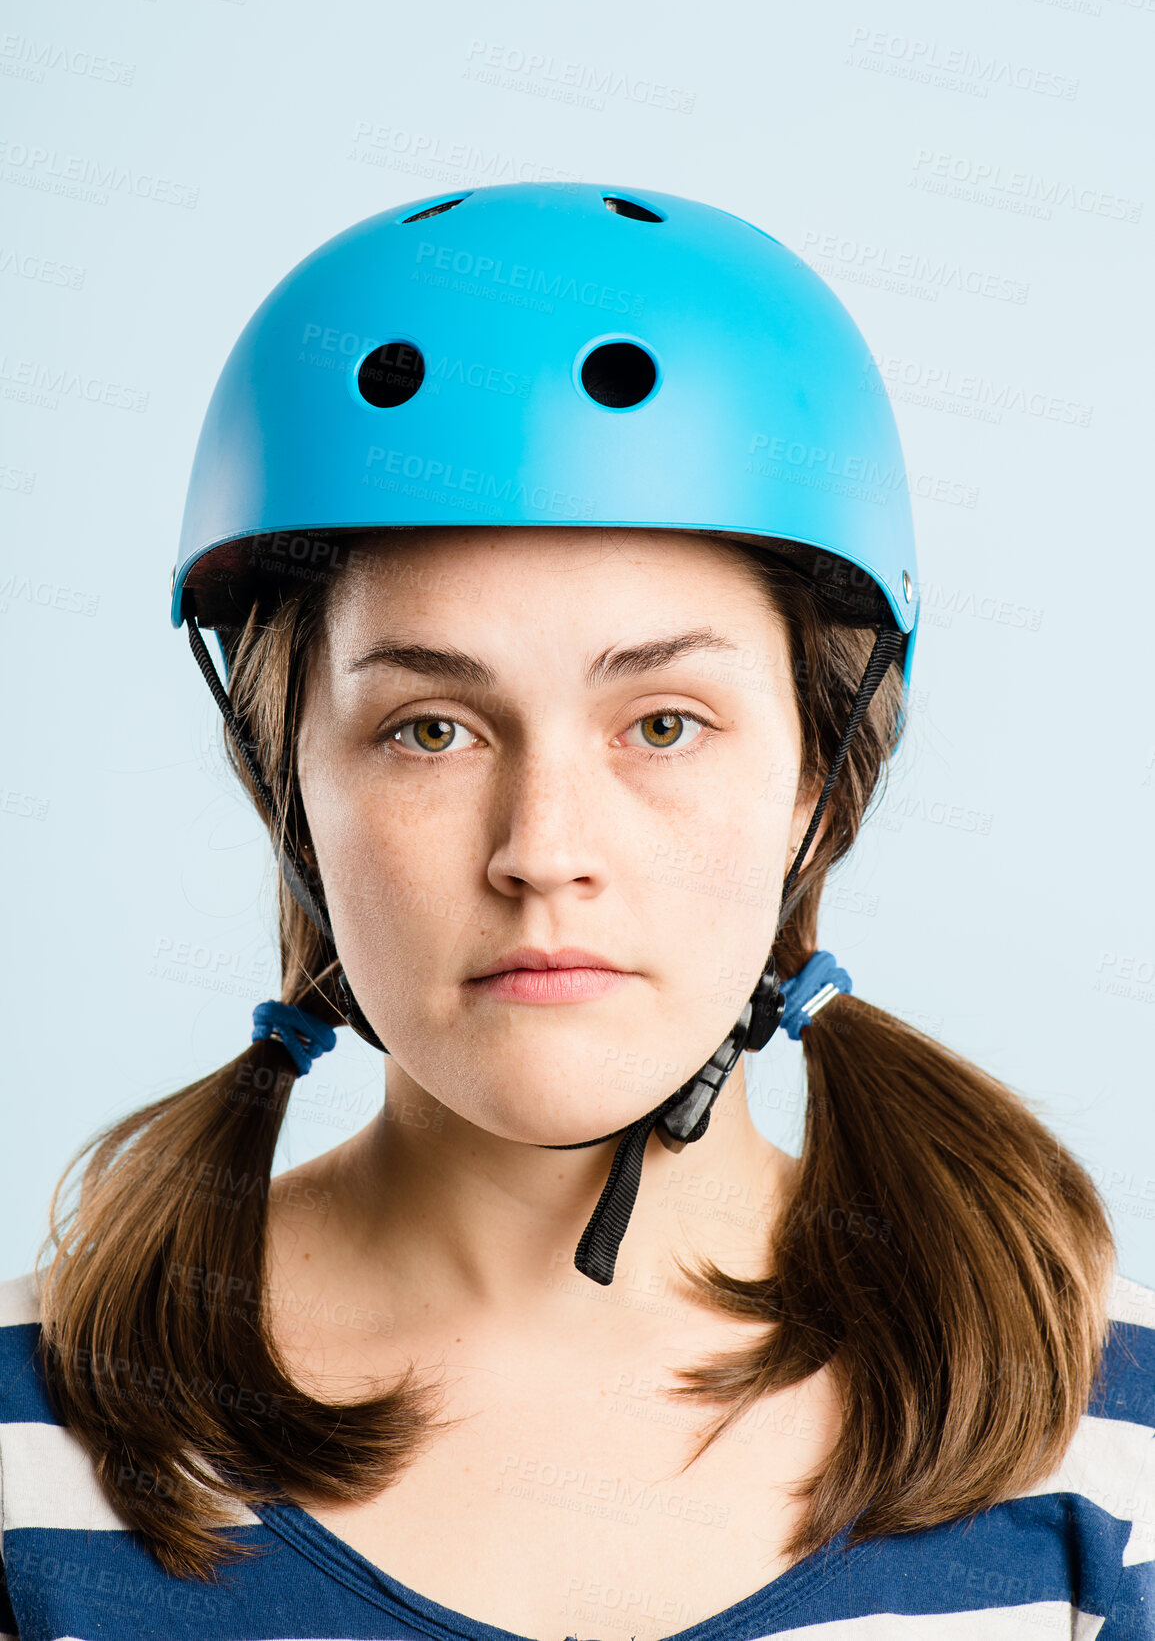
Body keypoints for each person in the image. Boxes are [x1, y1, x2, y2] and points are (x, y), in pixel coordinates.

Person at [1, 183, 1151, 1641]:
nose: (544, 852)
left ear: (820, 775)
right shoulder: (23, 1451)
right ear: (289, 783)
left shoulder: (1114, 1444)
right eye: (430, 729)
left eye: (663, 724)